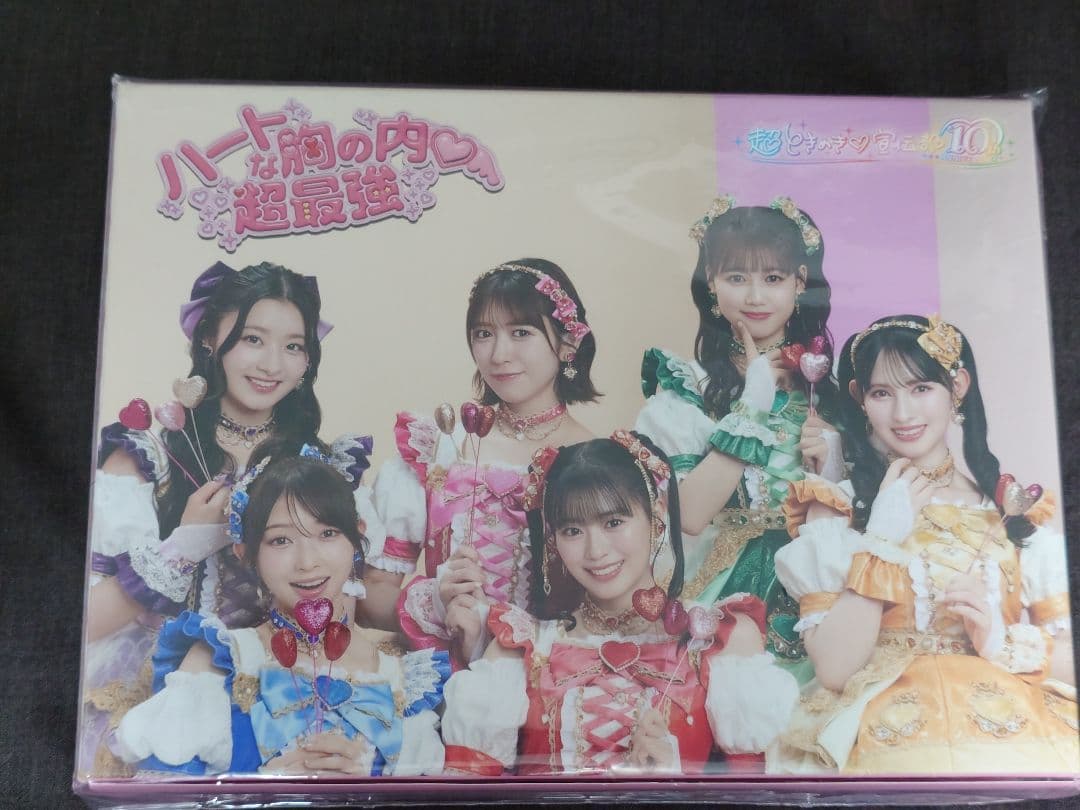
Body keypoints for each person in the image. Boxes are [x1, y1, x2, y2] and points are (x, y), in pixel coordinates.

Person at [82, 261, 375, 776]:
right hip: (163, 693)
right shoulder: (150, 456)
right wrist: (184, 546)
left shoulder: (322, 467)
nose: (272, 364)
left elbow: (345, 616)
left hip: (282, 694)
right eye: (252, 339)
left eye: (293, 346)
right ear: (209, 340)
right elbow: (86, 622)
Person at [772, 315, 1078, 774]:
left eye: (921, 388)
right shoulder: (838, 507)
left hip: (1009, 723)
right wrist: (881, 539)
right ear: (860, 398)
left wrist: (999, 641)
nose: (903, 414)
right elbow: (834, 668)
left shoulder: (1010, 515)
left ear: (957, 387)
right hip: (882, 729)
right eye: (882, 393)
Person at [439, 432, 799, 775]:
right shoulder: (520, 647)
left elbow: (760, 796)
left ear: (656, 516)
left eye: (613, 522)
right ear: (553, 540)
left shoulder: (720, 640)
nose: (596, 551)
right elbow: (464, 795)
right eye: (572, 531)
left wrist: (677, 783)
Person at [114, 453, 449, 777]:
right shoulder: (223, 660)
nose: (307, 562)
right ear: (246, 553)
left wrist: (366, 787)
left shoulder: (403, 680)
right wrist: (261, 785)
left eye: (328, 534)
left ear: (357, 536)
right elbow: (163, 793)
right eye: (281, 540)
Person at [635, 196, 842, 683]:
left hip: (818, 579)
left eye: (772, 278)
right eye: (736, 277)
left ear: (799, 283)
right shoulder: (689, 388)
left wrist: (832, 465)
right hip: (725, 580)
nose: (755, 296)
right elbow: (688, 515)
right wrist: (752, 402)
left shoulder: (828, 392)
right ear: (711, 282)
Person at [364, 259, 597, 662]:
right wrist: (438, 601)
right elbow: (369, 600)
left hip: (551, 676)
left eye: (521, 332)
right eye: (484, 334)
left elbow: (614, 608)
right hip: (442, 675)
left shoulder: (599, 461)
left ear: (568, 343)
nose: (499, 354)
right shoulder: (441, 447)